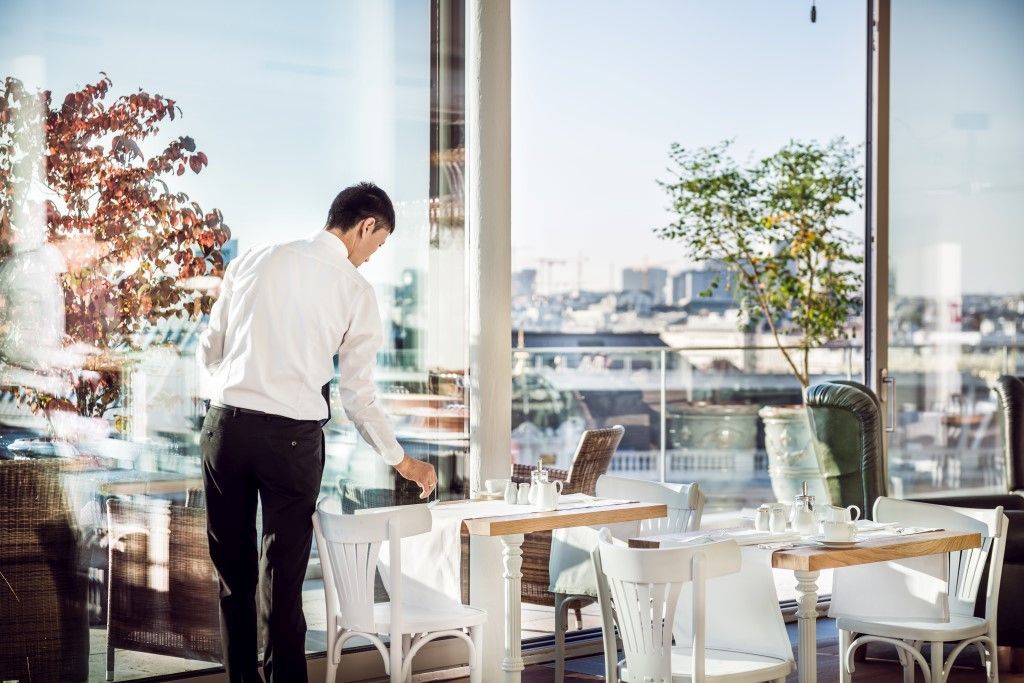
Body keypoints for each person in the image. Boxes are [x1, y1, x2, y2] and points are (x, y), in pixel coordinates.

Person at [197, 182, 437, 683]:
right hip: (290, 440)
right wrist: (404, 462)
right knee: (281, 581)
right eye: (379, 243)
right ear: (366, 225)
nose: (372, 257)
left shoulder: (255, 260)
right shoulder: (353, 290)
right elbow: (358, 396)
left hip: (225, 429)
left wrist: (234, 388)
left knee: (232, 578)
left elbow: (210, 347)